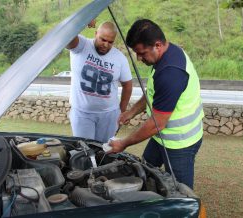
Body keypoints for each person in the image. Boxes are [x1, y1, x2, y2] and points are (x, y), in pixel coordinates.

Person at [109, 19, 204, 189]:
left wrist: (123, 143)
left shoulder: (170, 73)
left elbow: (156, 124)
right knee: (146, 168)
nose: (139, 58)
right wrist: (131, 112)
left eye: (142, 53)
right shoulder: (166, 54)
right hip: (162, 137)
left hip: (180, 143)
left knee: (181, 192)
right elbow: (153, 94)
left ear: (158, 45)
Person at [67, 20, 132, 143]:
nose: (106, 45)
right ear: (96, 33)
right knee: (85, 151)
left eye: (110, 42)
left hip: (109, 115)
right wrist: (83, 21)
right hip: (82, 113)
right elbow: (67, 36)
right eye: (103, 39)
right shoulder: (82, 45)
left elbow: (127, 85)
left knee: (104, 151)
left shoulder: (120, 58)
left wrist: (122, 111)